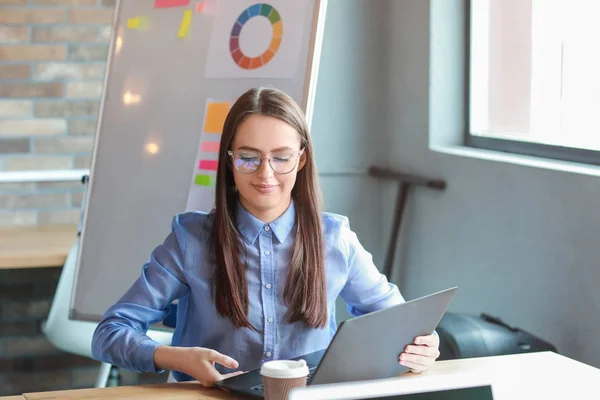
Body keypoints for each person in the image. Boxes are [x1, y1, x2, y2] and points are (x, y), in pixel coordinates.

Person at [91, 87, 440, 387]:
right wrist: (175, 358)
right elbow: (110, 333)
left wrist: (425, 345)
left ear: (301, 160)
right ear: (229, 160)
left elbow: (403, 322)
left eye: (281, 158)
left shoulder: (335, 238)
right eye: (248, 158)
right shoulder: (191, 239)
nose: (265, 174)